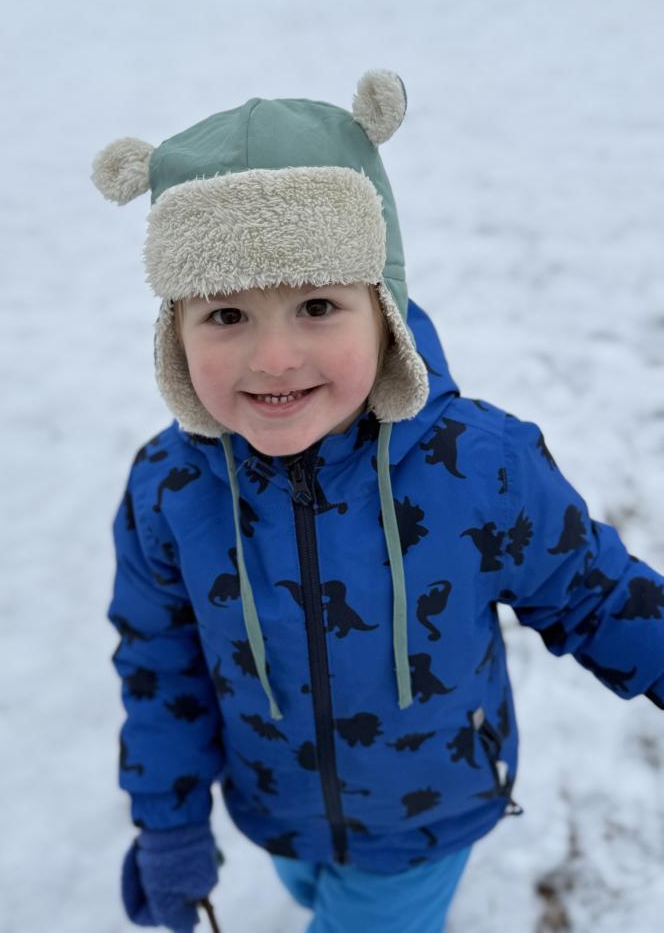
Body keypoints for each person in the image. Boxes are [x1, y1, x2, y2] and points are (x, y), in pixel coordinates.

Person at [92, 70, 664, 933]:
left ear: (383, 310)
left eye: (317, 305)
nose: (274, 358)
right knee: (314, 893)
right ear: (175, 330)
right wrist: (168, 823)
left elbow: (594, 592)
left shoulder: (476, 466)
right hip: (276, 811)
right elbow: (158, 664)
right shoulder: (169, 491)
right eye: (226, 316)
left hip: (426, 820)